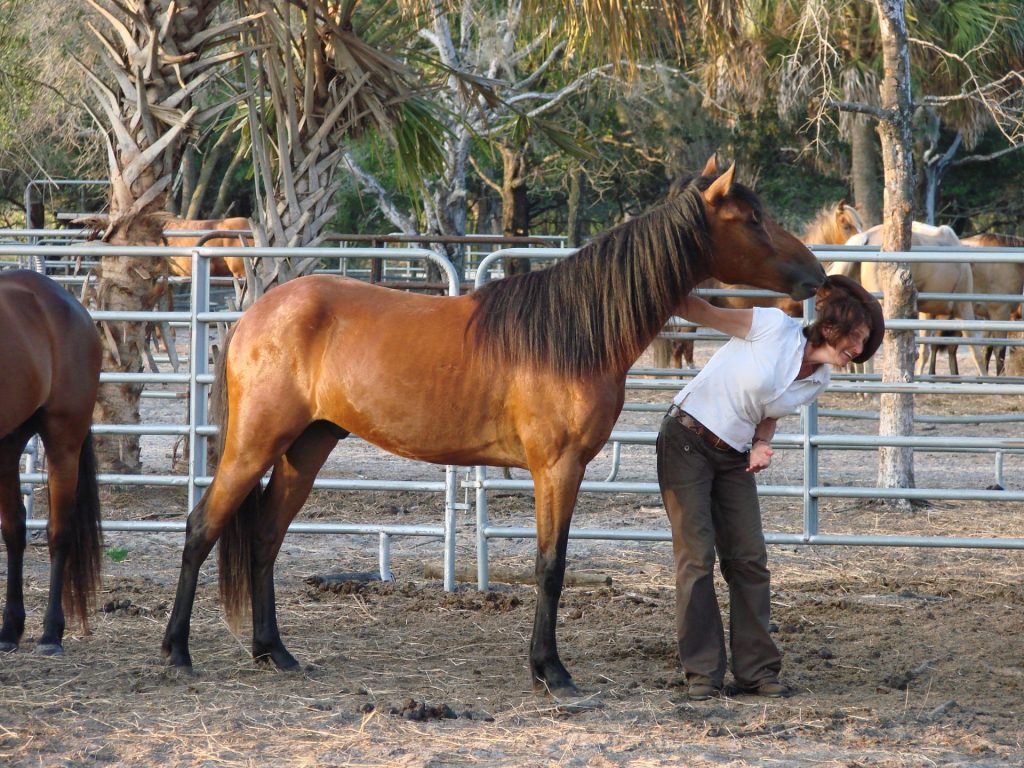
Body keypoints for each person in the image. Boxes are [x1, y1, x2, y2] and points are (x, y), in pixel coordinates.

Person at [656, 275, 883, 701]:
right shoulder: (771, 326)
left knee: (750, 560)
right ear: (831, 327)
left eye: (864, 343)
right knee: (697, 558)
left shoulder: (819, 380)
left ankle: (757, 672)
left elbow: (771, 408)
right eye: (856, 338)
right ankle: (703, 674)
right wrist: (659, 285)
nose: (858, 350)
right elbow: (705, 313)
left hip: (734, 456)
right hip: (686, 440)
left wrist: (762, 442)